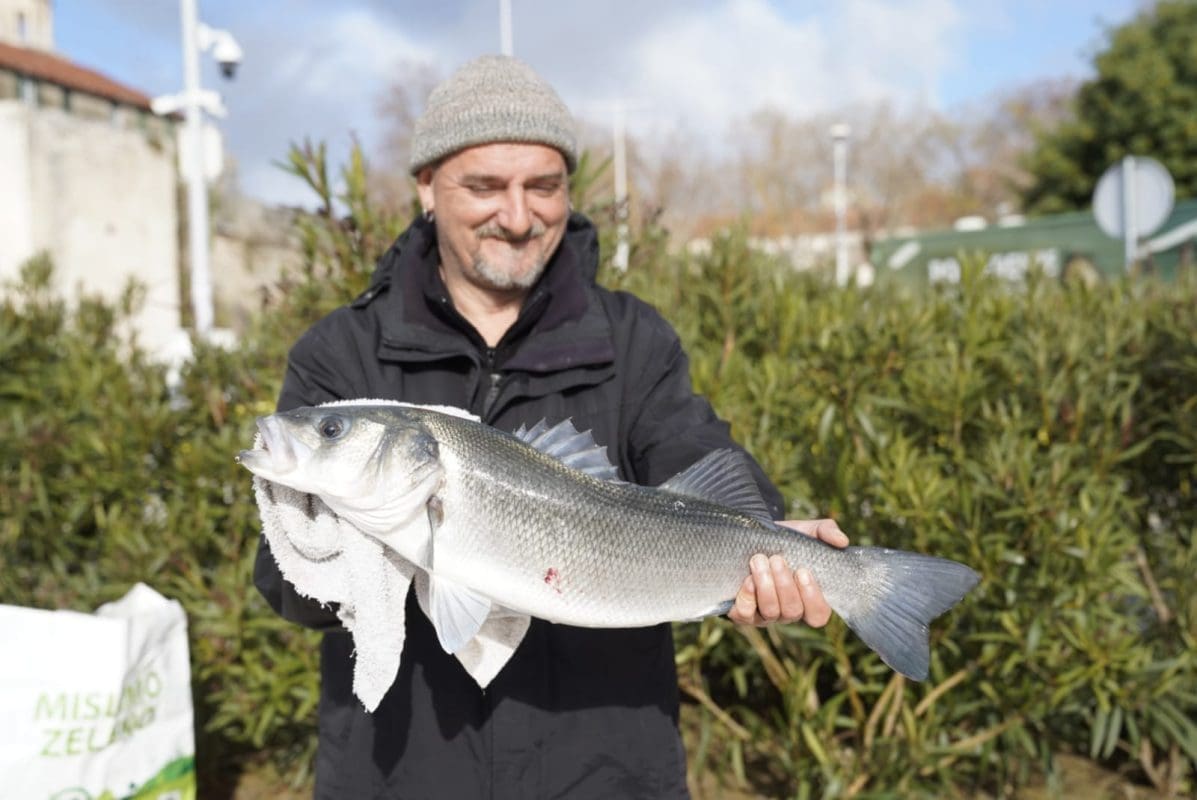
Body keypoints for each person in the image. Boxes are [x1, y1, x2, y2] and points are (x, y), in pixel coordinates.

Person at [254, 54, 849, 799]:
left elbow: (694, 456)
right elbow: (283, 586)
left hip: (606, 770)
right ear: (426, 188)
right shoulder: (339, 352)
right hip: (401, 772)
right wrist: (325, 549)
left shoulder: (632, 339)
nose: (517, 216)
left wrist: (765, 545)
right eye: (484, 186)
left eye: (543, 186)